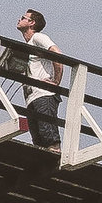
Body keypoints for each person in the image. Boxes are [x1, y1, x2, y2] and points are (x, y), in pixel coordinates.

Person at [13, 8, 64, 151]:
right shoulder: (28, 45)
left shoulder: (38, 37)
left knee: (49, 138)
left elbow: (56, 53)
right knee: (38, 140)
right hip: (32, 98)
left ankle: (54, 165)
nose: (19, 19)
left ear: (32, 23)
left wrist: (56, 81)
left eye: (23, 17)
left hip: (43, 94)